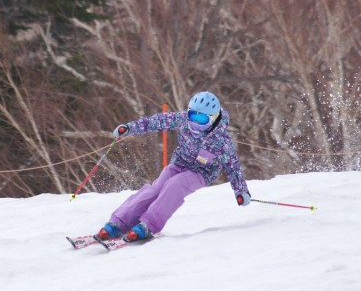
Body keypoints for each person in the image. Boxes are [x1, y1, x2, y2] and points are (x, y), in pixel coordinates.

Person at [97, 91, 251, 243]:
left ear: (213, 119)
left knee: (174, 185)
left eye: (201, 119)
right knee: (155, 190)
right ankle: (119, 222)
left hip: (202, 173)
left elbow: (233, 167)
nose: (195, 122)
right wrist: (130, 128)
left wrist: (241, 191)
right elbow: (157, 121)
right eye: (193, 116)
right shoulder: (183, 120)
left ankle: (148, 225)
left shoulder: (222, 141)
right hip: (179, 163)